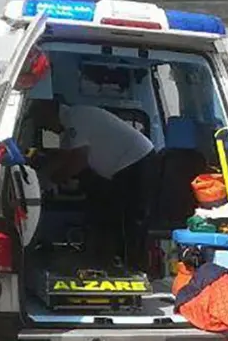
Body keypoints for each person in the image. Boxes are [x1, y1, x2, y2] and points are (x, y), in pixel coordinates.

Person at [35, 100, 160, 267]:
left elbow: (78, 160)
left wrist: (49, 182)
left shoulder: (75, 117)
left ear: (48, 112)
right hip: (123, 167)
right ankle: (108, 260)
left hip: (136, 162)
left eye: (43, 122)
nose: (45, 129)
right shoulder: (69, 131)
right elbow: (64, 157)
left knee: (128, 220)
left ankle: (131, 267)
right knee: (108, 215)